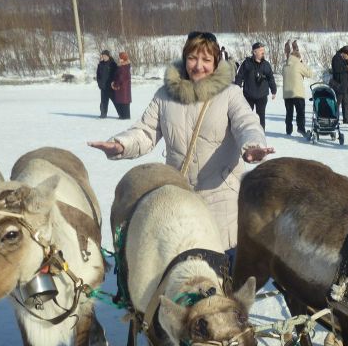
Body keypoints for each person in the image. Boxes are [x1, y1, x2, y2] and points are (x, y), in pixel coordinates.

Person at [88, 32, 274, 251]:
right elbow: (146, 131)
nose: (198, 66)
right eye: (193, 58)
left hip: (221, 200)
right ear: (185, 58)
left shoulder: (230, 94)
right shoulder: (165, 96)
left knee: (223, 275)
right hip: (179, 200)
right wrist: (121, 144)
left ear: (215, 62)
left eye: (206, 60)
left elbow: (247, 123)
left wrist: (252, 146)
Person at [234, 42, 277, 129]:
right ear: (254, 52)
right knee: (246, 117)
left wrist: (273, 90)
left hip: (262, 95)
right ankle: (246, 134)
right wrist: (236, 88)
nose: (263, 52)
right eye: (260, 50)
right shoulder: (247, 63)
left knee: (261, 117)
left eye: (263, 50)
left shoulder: (266, 65)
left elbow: (271, 78)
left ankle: (261, 137)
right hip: (248, 95)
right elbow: (239, 76)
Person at [281, 40, 312, 136]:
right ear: (298, 57)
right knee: (300, 112)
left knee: (289, 113)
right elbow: (309, 74)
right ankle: (301, 128)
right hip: (297, 93)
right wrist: (304, 64)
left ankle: (288, 130)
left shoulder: (285, 65)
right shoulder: (299, 64)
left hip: (287, 94)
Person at [331, 46, 348, 123]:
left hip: (344, 84)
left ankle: (346, 119)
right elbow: (336, 68)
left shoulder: (344, 60)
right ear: (344, 53)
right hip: (339, 84)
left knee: (346, 102)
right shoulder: (336, 58)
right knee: (337, 103)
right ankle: (334, 118)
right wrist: (347, 68)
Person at [96, 49, 117, 118]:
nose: (104, 57)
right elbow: (98, 75)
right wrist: (99, 83)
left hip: (111, 87)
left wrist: (114, 83)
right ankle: (103, 114)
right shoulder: (100, 64)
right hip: (103, 87)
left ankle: (121, 114)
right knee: (103, 102)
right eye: (103, 56)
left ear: (108, 56)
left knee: (116, 102)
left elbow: (116, 74)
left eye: (105, 56)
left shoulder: (113, 64)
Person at [111, 51, 131, 120]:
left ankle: (124, 116)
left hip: (121, 87)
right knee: (124, 102)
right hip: (124, 88)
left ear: (123, 58)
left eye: (120, 58)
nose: (119, 59)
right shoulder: (125, 66)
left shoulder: (123, 67)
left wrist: (115, 84)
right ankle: (125, 116)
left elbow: (121, 77)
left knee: (123, 103)